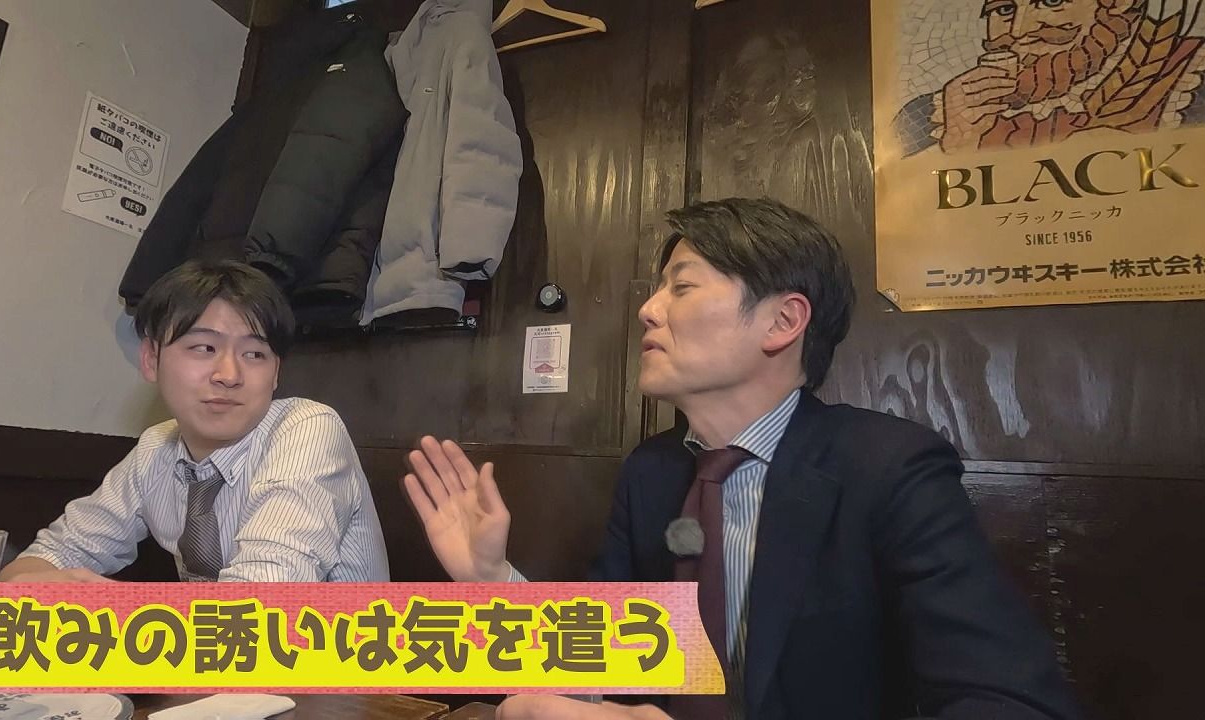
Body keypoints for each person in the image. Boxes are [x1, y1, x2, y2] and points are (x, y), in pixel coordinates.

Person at [403, 198, 1080, 719]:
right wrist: (493, 582)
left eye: (682, 287)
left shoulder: (887, 469)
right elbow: (608, 662)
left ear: (783, 322)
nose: (646, 311)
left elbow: (1012, 702)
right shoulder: (652, 472)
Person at [0, 260, 388, 583]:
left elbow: (262, 606)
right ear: (151, 359)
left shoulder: (307, 429)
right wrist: (29, 584)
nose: (229, 375)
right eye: (204, 347)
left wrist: (116, 609)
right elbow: (48, 556)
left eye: (255, 354)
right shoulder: (156, 449)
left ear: (275, 374)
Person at [895, 0, 1205, 155]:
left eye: (1052, 1)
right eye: (1004, 9)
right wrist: (960, 144)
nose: (1020, 30)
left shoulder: (1189, 77)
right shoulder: (926, 116)